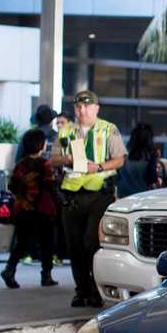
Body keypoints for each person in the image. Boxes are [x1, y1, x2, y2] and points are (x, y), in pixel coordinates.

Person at [51, 90, 127, 308]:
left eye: (86, 106)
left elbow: (120, 159)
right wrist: (65, 158)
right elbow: (53, 160)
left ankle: (95, 290)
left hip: (99, 194)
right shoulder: (66, 131)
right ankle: (81, 290)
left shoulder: (108, 129)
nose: (81, 110)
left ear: (96, 108)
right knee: (74, 245)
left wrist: (99, 166)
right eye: (78, 107)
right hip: (72, 194)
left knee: (92, 243)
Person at [2, 128, 59, 289]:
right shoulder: (45, 164)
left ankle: (9, 269)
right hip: (43, 208)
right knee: (47, 243)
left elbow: (12, 185)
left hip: (23, 208)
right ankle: (46, 276)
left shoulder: (20, 165)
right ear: (41, 146)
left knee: (22, 243)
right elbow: (50, 185)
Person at [115, 122, 167, 198]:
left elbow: (117, 175)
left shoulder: (123, 152)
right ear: (149, 139)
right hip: (142, 196)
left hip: (124, 197)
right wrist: (159, 179)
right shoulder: (151, 154)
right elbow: (152, 177)